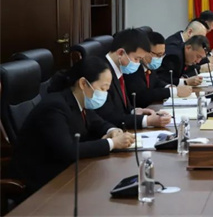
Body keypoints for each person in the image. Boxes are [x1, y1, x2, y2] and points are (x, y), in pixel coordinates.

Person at [9, 57, 135, 195]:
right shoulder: (55, 107)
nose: (104, 94)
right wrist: (112, 143)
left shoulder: (78, 100)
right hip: (43, 180)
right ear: (83, 83)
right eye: (102, 88)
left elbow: (97, 122)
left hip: (68, 170)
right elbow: (68, 150)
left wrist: (113, 130)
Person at [96, 29, 171, 129]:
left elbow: (121, 108)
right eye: (136, 59)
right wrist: (146, 121)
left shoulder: (118, 69)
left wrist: (135, 111)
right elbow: (109, 117)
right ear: (120, 53)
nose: (138, 63)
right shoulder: (101, 73)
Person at [124, 31, 193, 108]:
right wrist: (172, 92)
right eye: (158, 55)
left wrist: (169, 87)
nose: (160, 59)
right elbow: (142, 96)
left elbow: (156, 81)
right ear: (144, 51)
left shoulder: (149, 66)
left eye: (162, 55)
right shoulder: (133, 68)